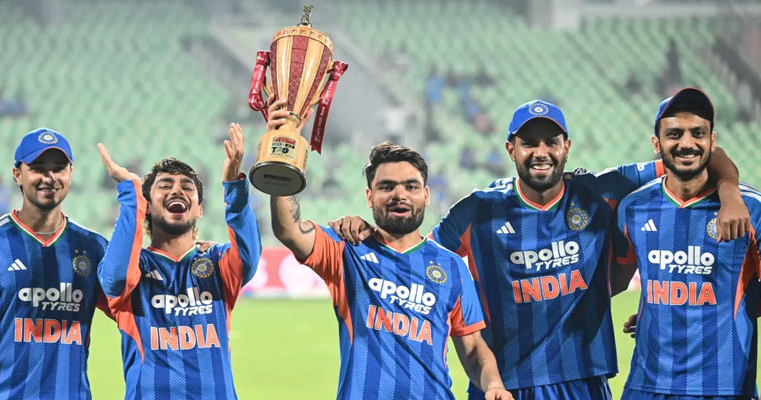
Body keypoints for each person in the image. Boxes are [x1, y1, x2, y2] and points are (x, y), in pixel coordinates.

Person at [330, 99, 749, 399]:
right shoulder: (476, 210)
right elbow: (415, 255)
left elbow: (700, 155)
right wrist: (369, 231)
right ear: (510, 149)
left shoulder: (598, 191)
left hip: (582, 378)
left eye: (551, 141)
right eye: (529, 142)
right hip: (502, 385)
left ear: (567, 146)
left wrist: (729, 190)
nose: (541, 152)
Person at [265, 96, 513, 400]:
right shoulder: (347, 250)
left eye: (411, 186)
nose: (399, 194)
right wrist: (287, 144)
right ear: (369, 197)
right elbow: (288, 228)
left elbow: (473, 349)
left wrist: (494, 385)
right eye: (386, 187)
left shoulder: (452, 267)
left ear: (426, 195)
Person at [612, 87, 759, 400]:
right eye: (675, 134)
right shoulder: (633, 208)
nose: (687, 143)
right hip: (646, 385)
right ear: (657, 144)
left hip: (725, 387)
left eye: (698, 133)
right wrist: (665, 315)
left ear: (712, 141)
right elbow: (619, 280)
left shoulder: (752, 210)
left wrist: (722, 315)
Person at [96, 123, 261, 399]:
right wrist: (131, 194)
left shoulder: (216, 262)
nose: (177, 191)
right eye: (165, 186)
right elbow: (115, 279)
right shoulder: (135, 266)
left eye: (187, 187)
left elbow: (249, 258)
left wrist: (234, 185)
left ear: (199, 209)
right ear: (148, 205)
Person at [0, 127, 111, 398]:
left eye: (59, 168)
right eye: (38, 168)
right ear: (17, 174)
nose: (49, 177)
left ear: (71, 173)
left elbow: (139, 312)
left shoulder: (94, 248)